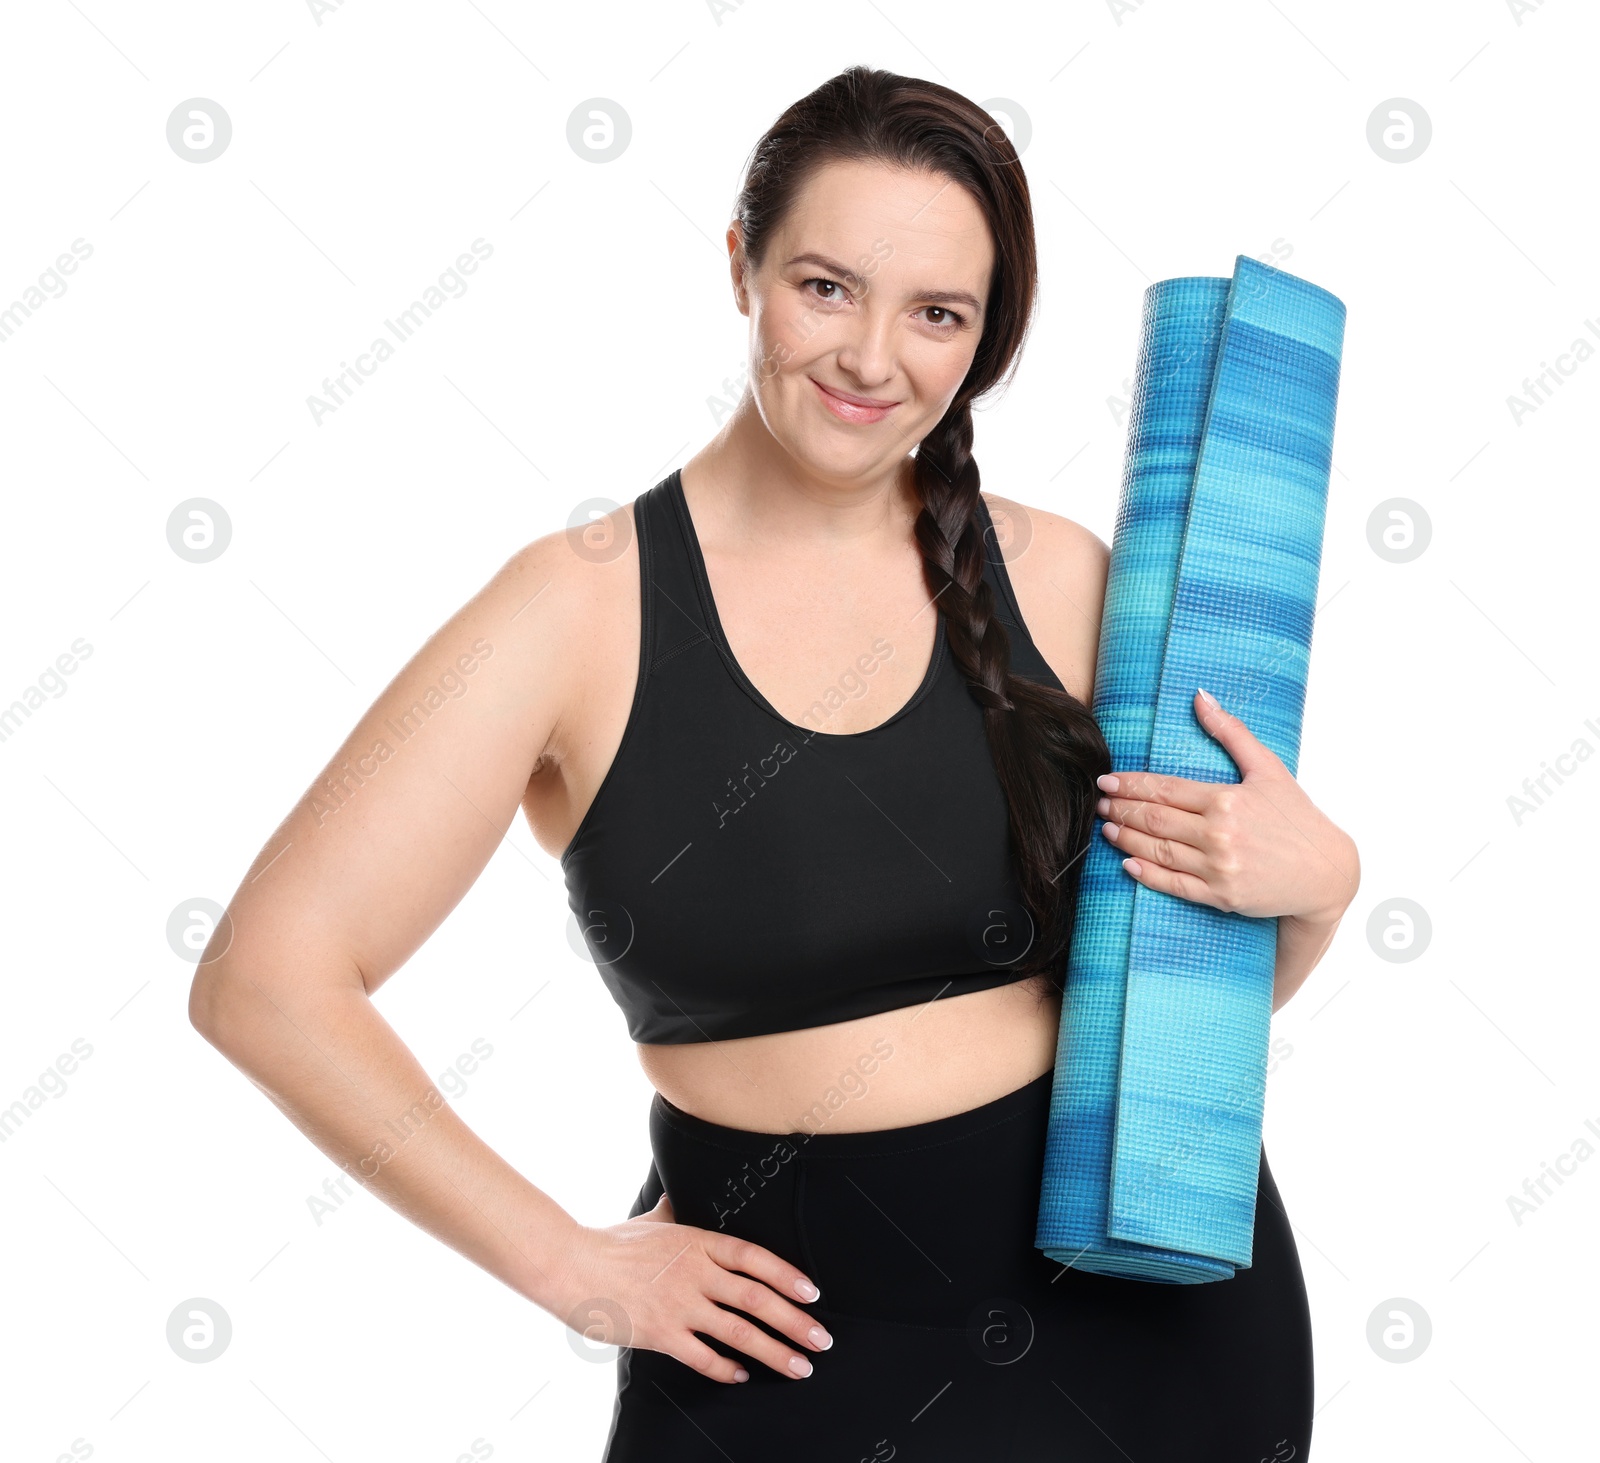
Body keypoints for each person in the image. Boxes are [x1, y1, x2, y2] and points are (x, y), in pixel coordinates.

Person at [190, 65, 1359, 1461]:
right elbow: (265, 980)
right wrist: (567, 1264)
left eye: (938, 314)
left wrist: (1321, 890)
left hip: (1149, 1335)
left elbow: (1177, 999)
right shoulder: (572, 612)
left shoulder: (1059, 580)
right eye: (826, 287)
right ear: (740, 264)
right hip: (776, 1346)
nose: (874, 359)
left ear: (984, 342)